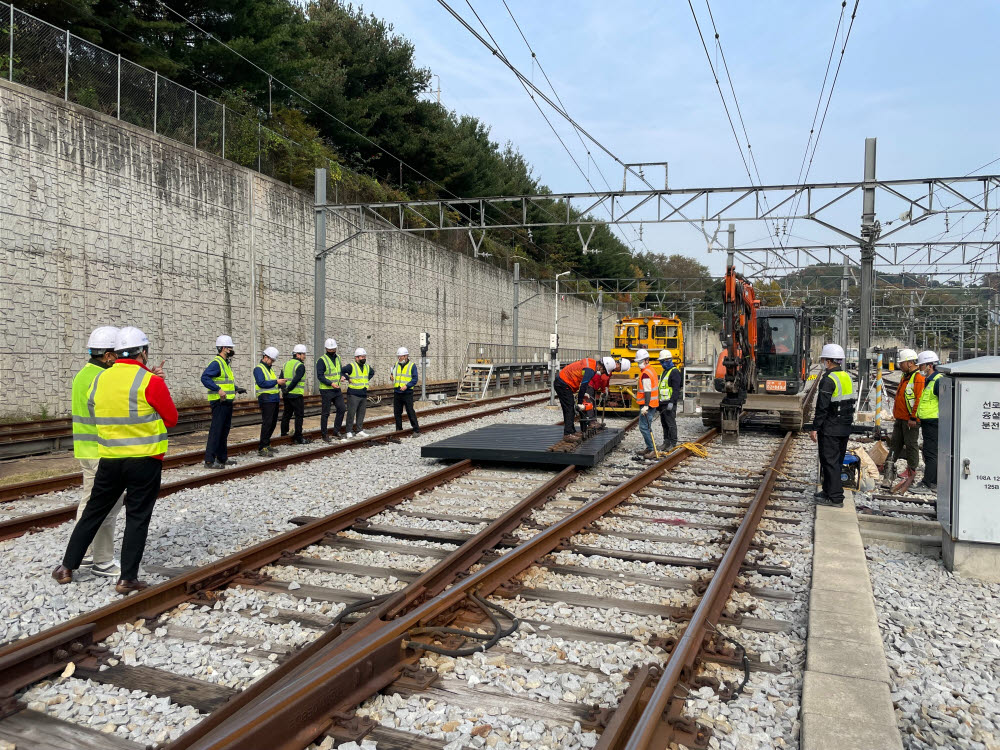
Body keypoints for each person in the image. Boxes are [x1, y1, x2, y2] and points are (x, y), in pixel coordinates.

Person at [53, 327, 178, 594]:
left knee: (93, 512)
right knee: (137, 517)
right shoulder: (150, 381)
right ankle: (127, 578)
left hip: (109, 459)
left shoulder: (99, 380)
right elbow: (171, 419)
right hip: (144, 460)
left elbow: (99, 410)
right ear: (143, 352)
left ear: (117, 354)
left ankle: (66, 567)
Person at [70, 326, 124, 578]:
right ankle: (101, 560)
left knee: (89, 502)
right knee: (106, 506)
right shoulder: (101, 378)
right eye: (120, 354)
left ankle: (83, 552)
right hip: (101, 451)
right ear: (108, 356)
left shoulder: (83, 374)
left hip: (86, 448)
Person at [809, 344, 856, 507]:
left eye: (824, 360)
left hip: (831, 427)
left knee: (829, 461)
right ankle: (828, 491)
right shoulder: (847, 377)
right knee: (836, 460)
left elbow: (822, 407)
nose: (823, 363)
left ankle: (835, 497)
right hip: (845, 426)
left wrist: (815, 427)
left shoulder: (828, 380)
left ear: (828, 361)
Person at [201, 335, 246, 469]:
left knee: (223, 431)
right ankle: (209, 460)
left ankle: (222, 458)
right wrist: (218, 389)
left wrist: (236, 389)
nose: (231, 350)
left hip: (226, 402)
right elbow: (205, 378)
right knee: (216, 430)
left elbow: (225, 382)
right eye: (229, 347)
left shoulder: (225, 363)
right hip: (219, 402)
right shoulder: (217, 363)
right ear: (223, 348)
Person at [886, 348, 924, 490]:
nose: (899, 365)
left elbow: (918, 399)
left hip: (910, 420)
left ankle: (911, 471)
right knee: (895, 443)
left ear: (909, 363)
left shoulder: (918, 378)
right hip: (900, 418)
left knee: (911, 445)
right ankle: (889, 467)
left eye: (901, 363)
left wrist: (914, 417)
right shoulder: (905, 376)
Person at [916, 350, 942, 491]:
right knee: (930, 452)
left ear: (929, 365)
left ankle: (928, 483)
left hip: (934, 422)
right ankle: (934, 482)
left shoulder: (937, 381)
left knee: (930, 453)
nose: (920, 369)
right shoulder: (931, 380)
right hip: (929, 422)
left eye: (921, 366)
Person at [253, 346, 286, 456]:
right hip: (266, 399)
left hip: (273, 399)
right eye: (271, 360)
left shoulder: (269, 368)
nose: (272, 362)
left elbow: (272, 383)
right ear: (265, 357)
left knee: (272, 423)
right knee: (267, 423)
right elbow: (261, 383)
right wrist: (277, 381)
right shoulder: (258, 369)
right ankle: (262, 448)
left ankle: (266, 444)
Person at [340, 348, 374, 438]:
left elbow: (372, 372)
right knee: (351, 413)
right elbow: (341, 371)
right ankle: (349, 431)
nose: (364, 358)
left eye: (364, 356)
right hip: (353, 393)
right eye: (362, 357)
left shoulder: (367, 367)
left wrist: (366, 379)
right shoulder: (351, 366)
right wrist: (347, 378)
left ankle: (359, 430)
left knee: (361, 413)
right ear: (356, 358)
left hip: (363, 393)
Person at [317, 338, 346, 443]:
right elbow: (320, 376)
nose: (332, 351)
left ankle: (336, 430)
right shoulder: (322, 360)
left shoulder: (338, 358)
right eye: (330, 349)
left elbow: (340, 371)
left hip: (336, 389)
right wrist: (331, 383)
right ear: (326, 349)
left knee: (342, 408)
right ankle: (324, 434)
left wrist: (341, 377)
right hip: (326, 390)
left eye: (333, 349)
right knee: (325, 413)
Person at [280, 344, 310, 444]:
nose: (304, 356)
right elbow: (296, 380)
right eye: (303, 354)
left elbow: (281, 379)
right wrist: (288, 389)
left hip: (287, 395)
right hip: (296, 395)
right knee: (299, 416)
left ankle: (283, 434)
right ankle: (298, 437)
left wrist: (284, 390)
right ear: (298, 354)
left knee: (286, 414)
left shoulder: (286, 364)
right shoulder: (300, 366)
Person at [634, 349, 660, 460]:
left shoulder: (645, 374)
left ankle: (652, 448)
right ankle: (649, 448)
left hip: (648, 404)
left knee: (644, 427)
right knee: (646, 426)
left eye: (640, 361)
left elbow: (648, 391)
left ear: (646, 360)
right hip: (652, 403)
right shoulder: (650, 370)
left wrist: (646, 405)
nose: (638, 363)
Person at [657, 350, 683, 450]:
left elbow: (676, 389)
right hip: (663, 403)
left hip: (669, 403)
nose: (662, 364)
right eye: (661, 362)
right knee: (664, 424)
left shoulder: (674, 372)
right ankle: (666, 442)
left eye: (663, 361)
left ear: (668, 360)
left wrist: (672, 402)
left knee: (671, 423)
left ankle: (673, 442)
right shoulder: (665, 372)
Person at [392, 347, 421, 435]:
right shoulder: (396, 365)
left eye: (401, 356)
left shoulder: (412, 366)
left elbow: (415, 379)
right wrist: (391, 377)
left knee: (410, 411)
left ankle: (416, 430)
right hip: (397, 392)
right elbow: (393, 374)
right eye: (398, 357)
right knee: (397, 412)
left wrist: (407, 386)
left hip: (407, 393)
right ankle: (399, 429)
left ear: (406, 356)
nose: (399, 358)